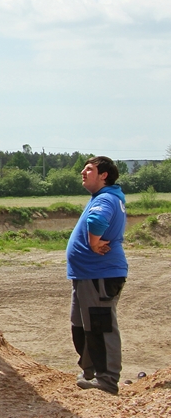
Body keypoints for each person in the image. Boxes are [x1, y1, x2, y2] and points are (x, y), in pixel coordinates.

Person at [67, 156, 128, 395]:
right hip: (87, 275)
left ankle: (107, 380)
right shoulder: (102, 197)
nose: (83, 172)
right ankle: (90, 372)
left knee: (101, 327)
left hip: (99, 275)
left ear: (104, 175)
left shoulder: (106, 198)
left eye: (89, 169)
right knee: (81, 327)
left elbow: (97, 219)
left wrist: (93, 243)